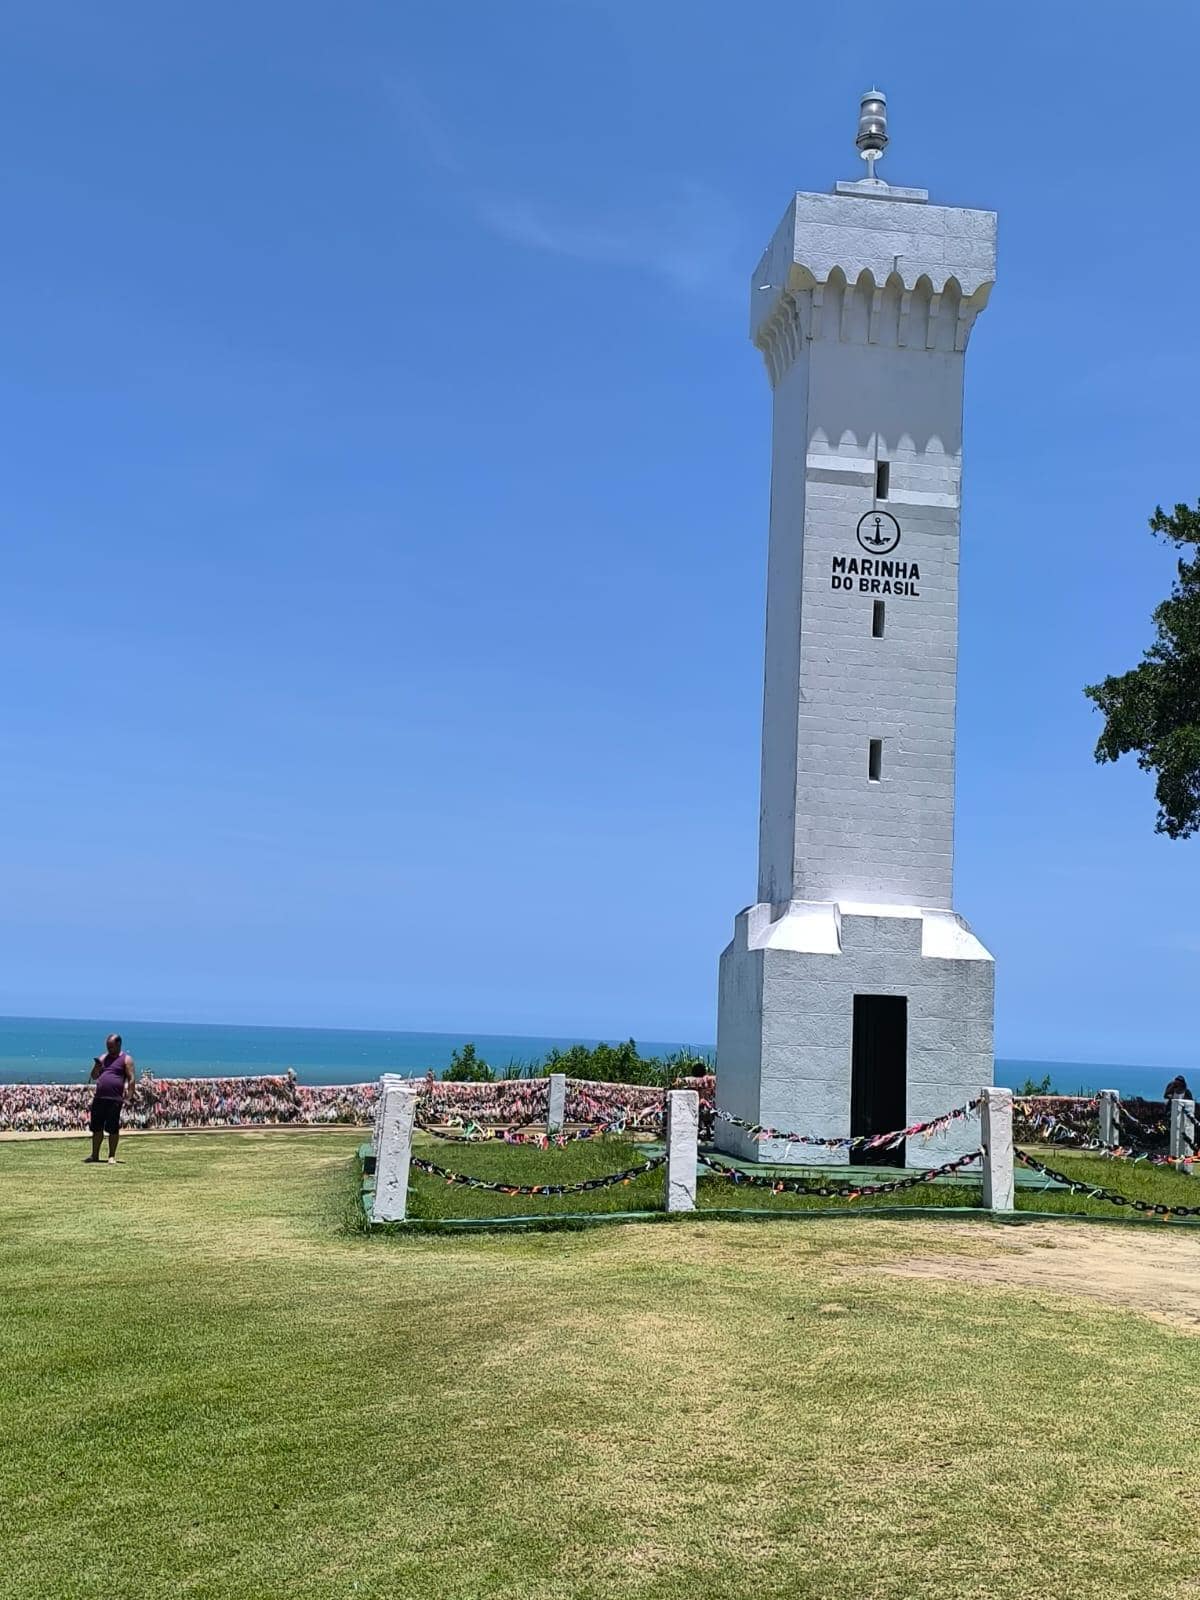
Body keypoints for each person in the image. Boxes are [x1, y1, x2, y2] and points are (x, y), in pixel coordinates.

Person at [86, 1034, 135, 1164]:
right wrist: (97, 1066)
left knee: (112, 1128)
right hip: (100, 1097)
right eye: (108, 1046)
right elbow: (94, 1076)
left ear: (118, 1045)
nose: (109, 1049)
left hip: (114, 1099)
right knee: (97, 1128)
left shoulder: (126, 1059)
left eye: (111, 1046)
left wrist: (129, 1097)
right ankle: (94, 1155)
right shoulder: (103, 1057)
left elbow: (131, 1079)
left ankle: (111, 1155)